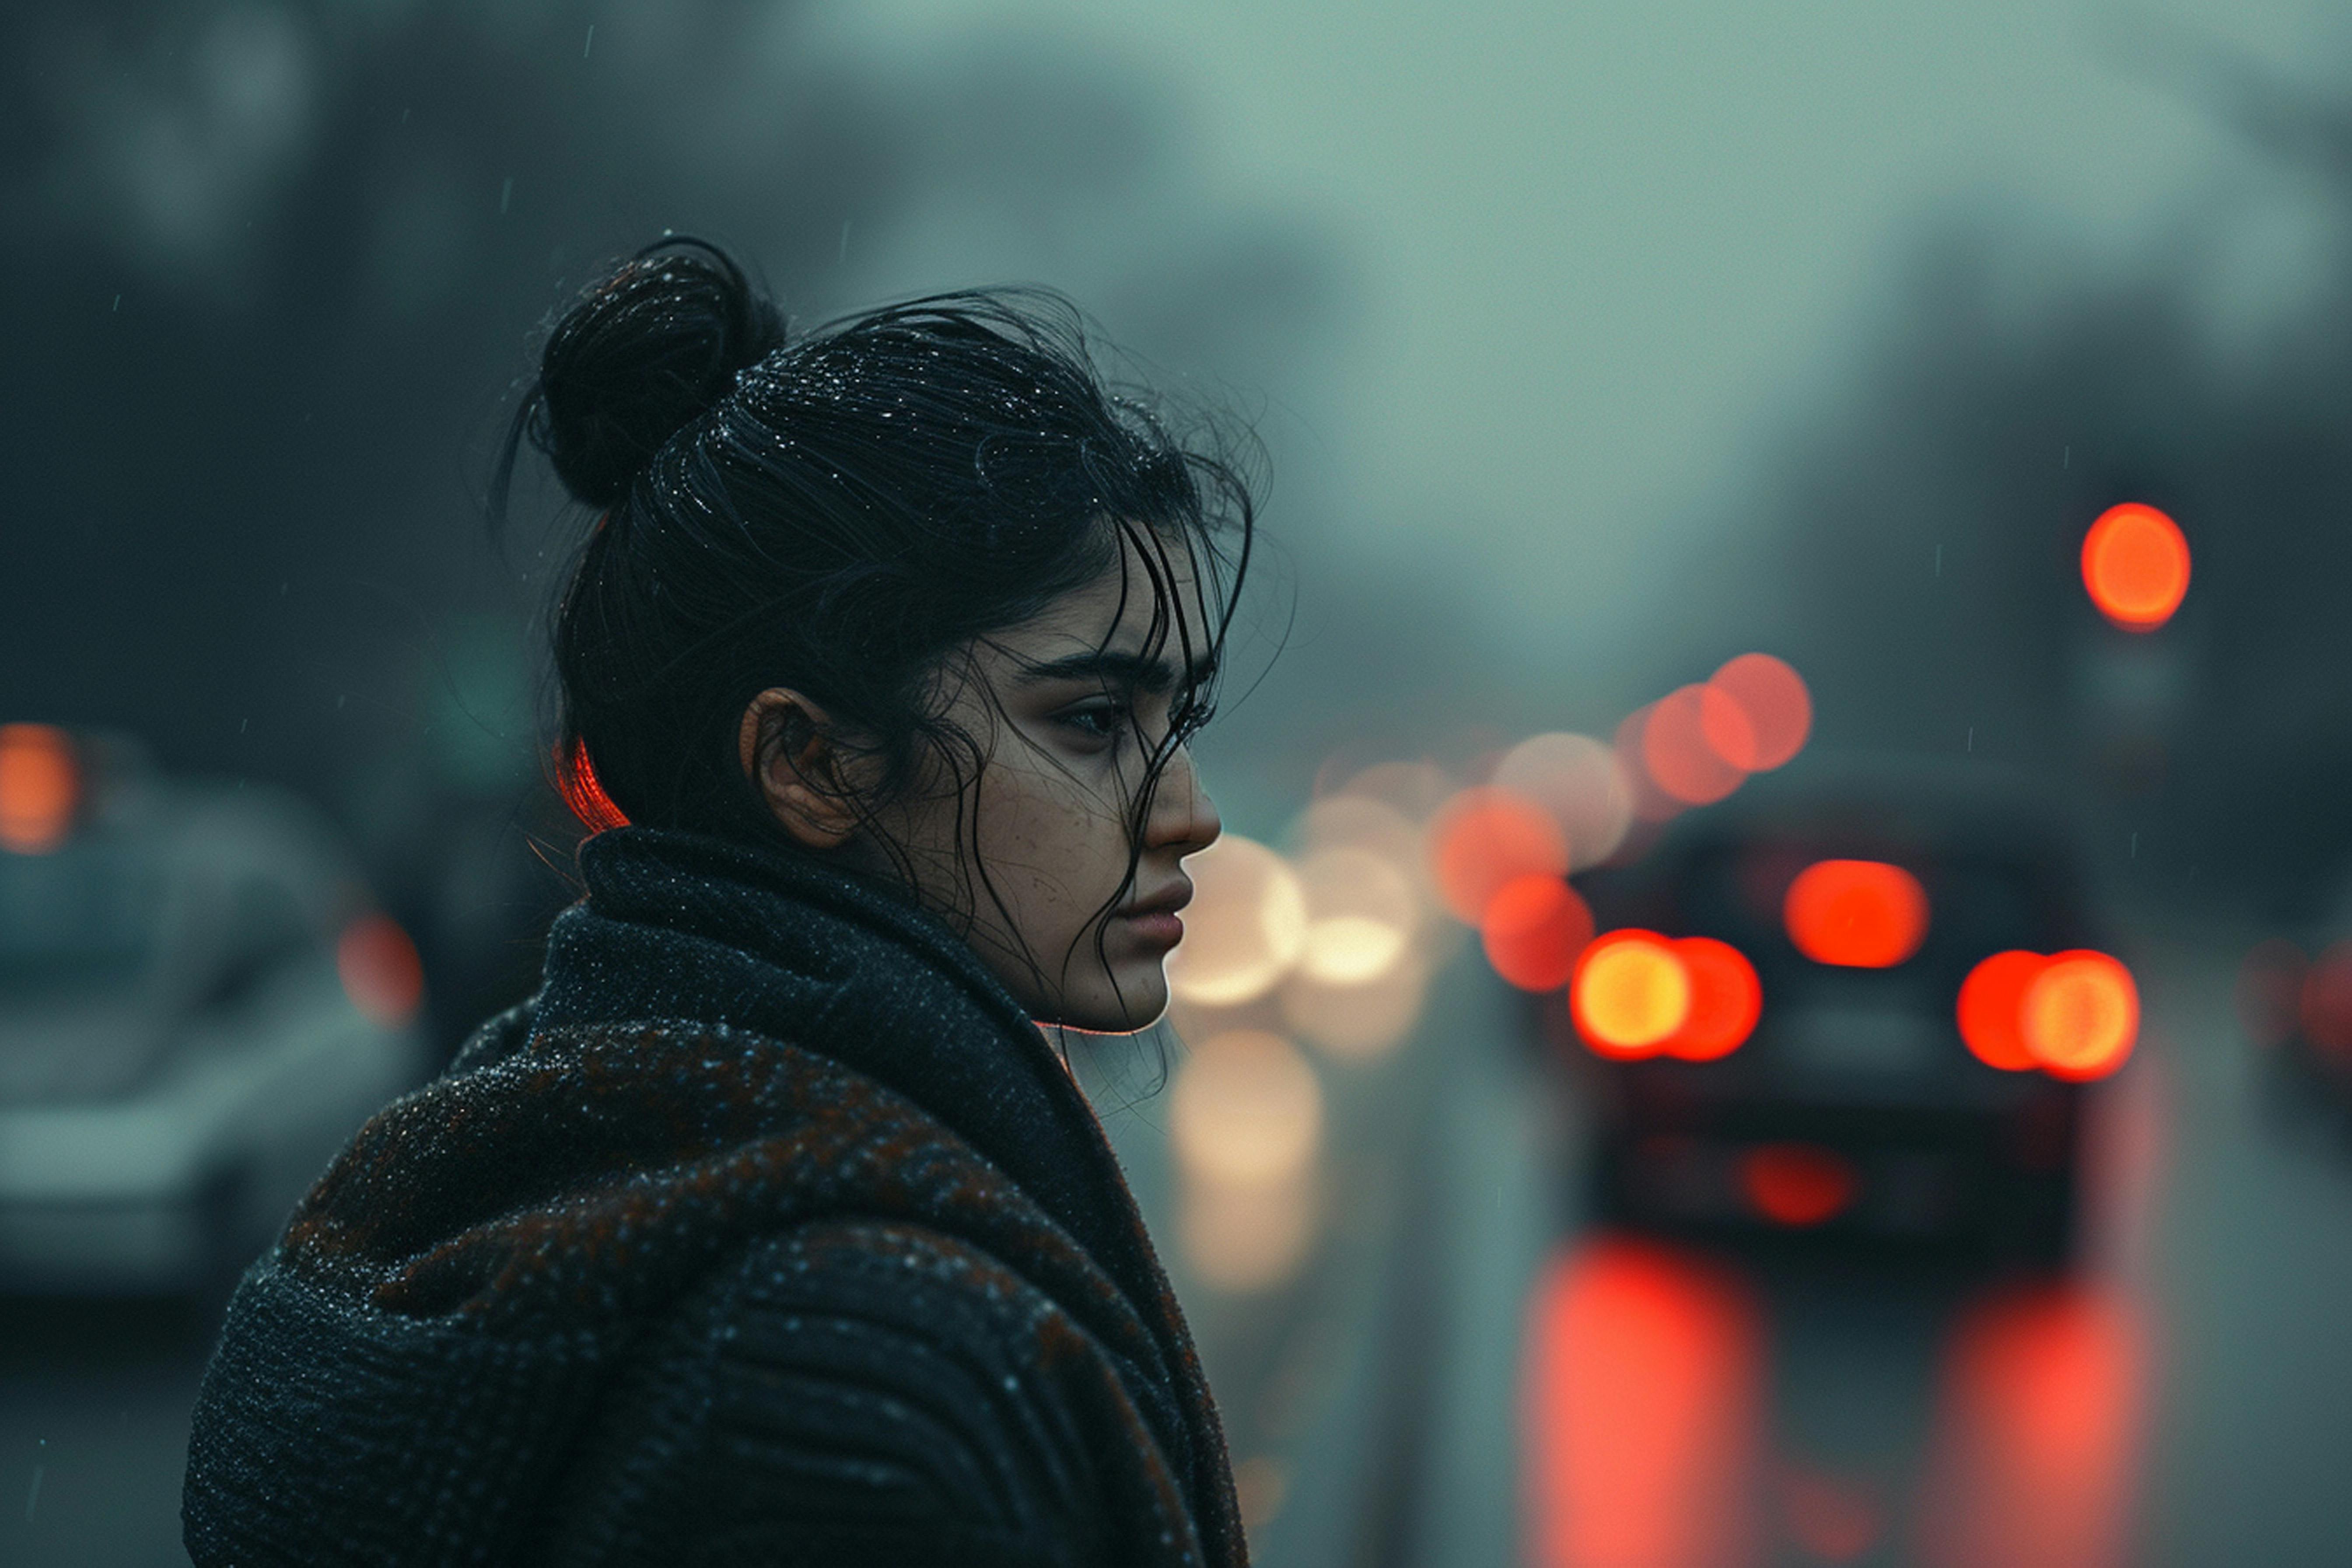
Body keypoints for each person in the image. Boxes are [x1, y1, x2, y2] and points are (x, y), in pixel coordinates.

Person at [182, 238, 1256, 1567]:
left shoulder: (549, 1137)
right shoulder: (864, 1381)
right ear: (808, 765)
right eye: (1094, 718)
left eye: (1179, 715)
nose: (1190, 806)